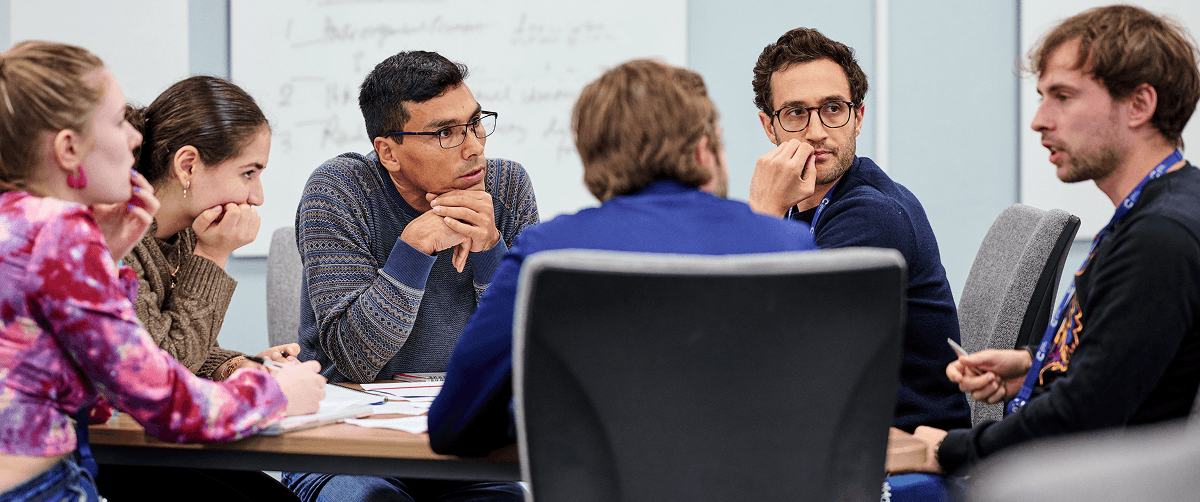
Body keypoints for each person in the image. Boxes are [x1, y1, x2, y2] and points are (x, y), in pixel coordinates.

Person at [427, 59, 820, 456]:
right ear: (705, 150)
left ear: (591, 161)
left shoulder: (546, 254)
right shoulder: (790, 246)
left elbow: (452, 426)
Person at [0, 41, 325, 501]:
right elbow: (162, 400)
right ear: (69, 148)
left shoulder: (18, 223)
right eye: (116, 123)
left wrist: (107, 255)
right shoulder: (59, 233)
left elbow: (72, 368)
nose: (135, 138)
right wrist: (275, 395)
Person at [890, 4, 1200, 475]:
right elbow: (1125, 364)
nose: (1039, 119)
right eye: (1041, 96)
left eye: (1062, 96)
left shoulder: (1160, 238)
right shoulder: (1162, 207)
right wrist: (1034, 366)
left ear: (1140, 104)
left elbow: (1084, 418)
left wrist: (948, 450)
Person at [285, 50, 536, 501]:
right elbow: (354, 358)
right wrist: (414, 247)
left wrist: (489, 250)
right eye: (446, 133)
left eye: (476, 123)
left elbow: (529, 348)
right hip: (344, 447)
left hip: (460, 446)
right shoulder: (340, 191)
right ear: (389, 152)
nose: (474, 145)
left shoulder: (507, 186)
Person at [747, 27, 970, 433]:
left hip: (900, 458)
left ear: (858, 117)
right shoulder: (811, 205)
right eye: (796, 113)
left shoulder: (870, 215)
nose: (816, 131)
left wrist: (764, 210)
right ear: (769, 127)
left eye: (833, 108)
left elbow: (768, 349)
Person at [96, 76, 305, 501]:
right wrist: (215, 256)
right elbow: (160, 364)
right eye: (249, 173)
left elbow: (172, 337)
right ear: (188, 165)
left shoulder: (185, 233)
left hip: (154, 437)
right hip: (117, 446)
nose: (258, 196)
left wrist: (234, 364)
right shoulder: (118, 236)